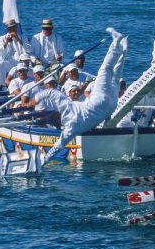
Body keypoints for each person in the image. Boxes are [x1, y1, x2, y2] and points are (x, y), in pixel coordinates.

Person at [31, 27, 127, 163]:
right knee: (105, 70)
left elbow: (56, 148)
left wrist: (43, 161)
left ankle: (123, 49)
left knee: (116, 77)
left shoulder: (69, 130)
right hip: (99, 102)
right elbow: (51, 93)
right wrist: (35, 99)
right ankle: (116, 42)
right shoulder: (66, 105)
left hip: (110, 107)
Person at [0, 18, 28, 86]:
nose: (12, 29)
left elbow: (29, 49)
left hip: (21, 61)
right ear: (7, 29)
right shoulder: (2, 38)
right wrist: (6, 43)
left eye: (13, 27)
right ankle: (2, 86)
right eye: (10, 28)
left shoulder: (22, 37)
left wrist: (18, 39)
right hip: (9, 62)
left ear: (16, 27)